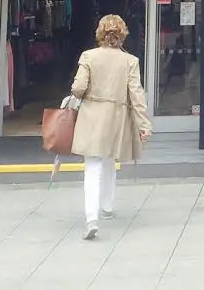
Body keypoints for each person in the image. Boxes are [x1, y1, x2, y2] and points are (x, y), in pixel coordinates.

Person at [71, 14, 152, 240]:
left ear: (100, 33)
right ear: (122, 34)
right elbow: (137, 95)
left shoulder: (88, 56)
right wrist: (144, 124)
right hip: (117, 117)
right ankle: (107, 206)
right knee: (109, 160)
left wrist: (82, 91)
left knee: (92, 166)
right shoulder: (130, 61)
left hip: (92, 116)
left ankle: (91, 218)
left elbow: (78, 88)